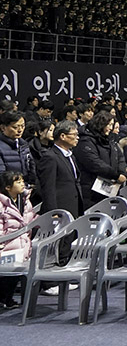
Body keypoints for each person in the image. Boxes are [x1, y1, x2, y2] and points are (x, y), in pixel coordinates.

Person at [0, 170, 35, 309]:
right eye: (18, 182)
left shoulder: (24, 200)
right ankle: (4, 298)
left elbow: (30, 217)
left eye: (22, 181)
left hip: (23, 242)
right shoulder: (2, 204)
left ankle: (7, 299)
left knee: (15, 274)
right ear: (8, 187)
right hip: (7, 243)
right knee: (6, 274)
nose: (22, 184)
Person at [75, 112, 126, 203]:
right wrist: (116, 175)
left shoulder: (110, 139)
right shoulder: (85, 140)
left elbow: (120, 157)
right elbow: (94, 163)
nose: (111, 128)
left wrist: (121, 173)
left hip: (112, 187)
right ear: (100, 124)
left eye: (112, 125)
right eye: (109, 124)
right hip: (92, 190)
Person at [36, 121, 84, 217]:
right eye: (74, 134)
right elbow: (48, 187)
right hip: (59, 210)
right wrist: (52, 212)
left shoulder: (71, 156)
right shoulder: (50, 157)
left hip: (74, 207)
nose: (77, 137)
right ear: (62, 136)